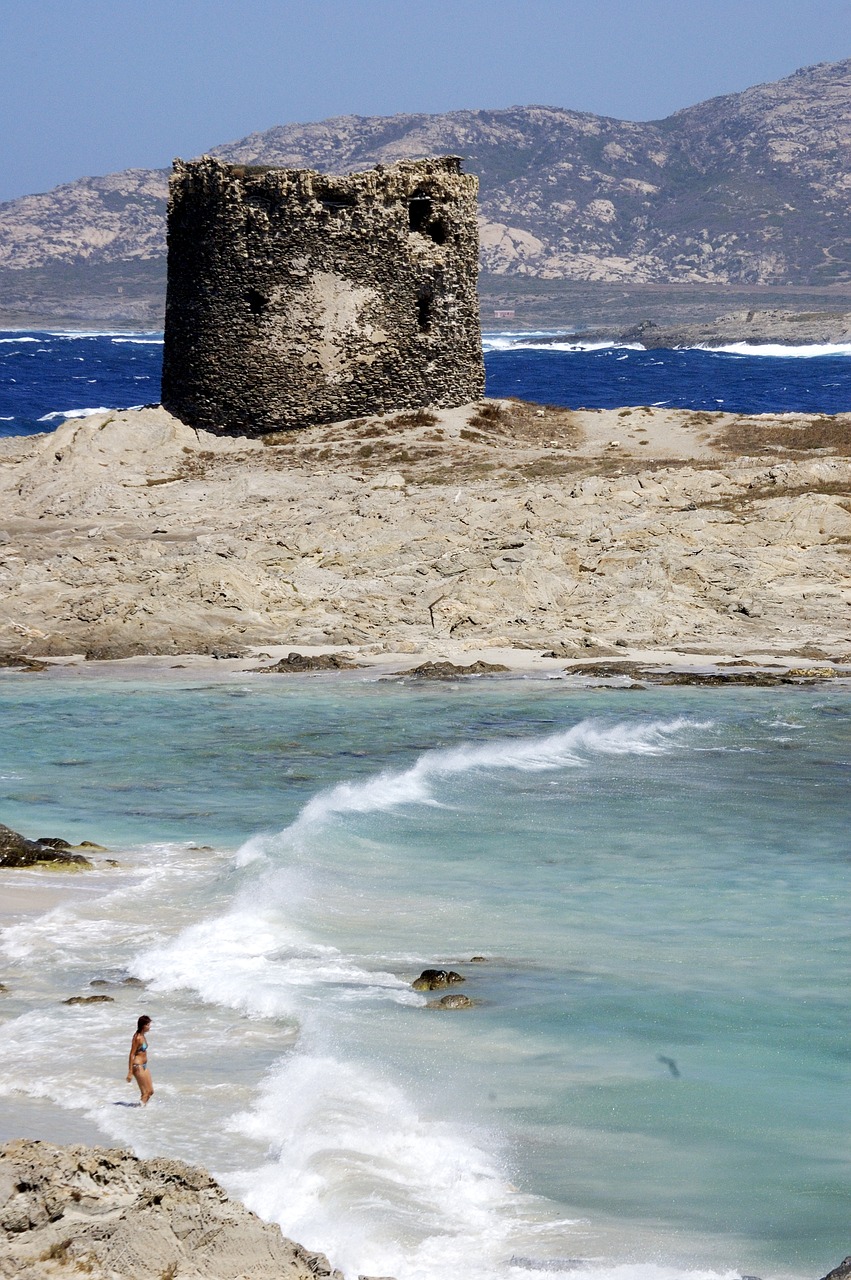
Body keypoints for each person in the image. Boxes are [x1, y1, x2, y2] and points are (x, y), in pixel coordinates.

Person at [126, 1015, 153, 1105]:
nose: (149, 1026)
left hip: (144, 1066)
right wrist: (130, 1072)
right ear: (143, 1025)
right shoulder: (137, 1038)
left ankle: (141, 1108)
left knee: (150, 1091)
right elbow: (131, 1054)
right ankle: (139, 1111)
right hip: (137, 1066)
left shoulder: (142, 1035)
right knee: (146, 1093)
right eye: (148, 1025)